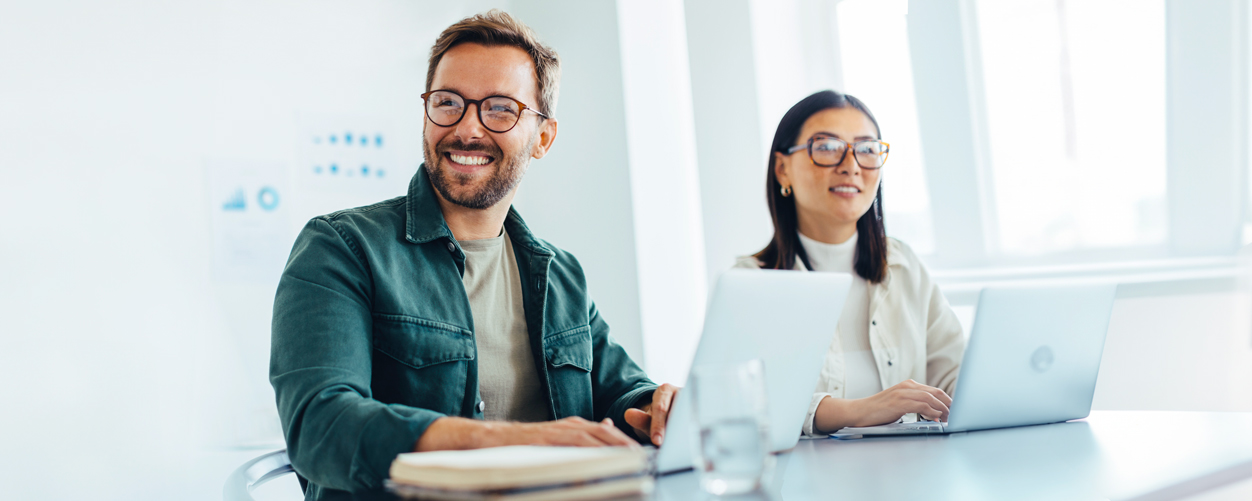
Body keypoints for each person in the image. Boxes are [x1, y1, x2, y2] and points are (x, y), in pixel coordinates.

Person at [270, 10, 677, 498]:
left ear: (542, 138)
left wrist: (660, 406)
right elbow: (321, 426)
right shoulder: (341, 247)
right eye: (448, 103)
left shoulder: (559, 274)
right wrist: (510, 442)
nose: (467, 128)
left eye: (501, 109)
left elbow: (620, 393)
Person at [735, 90, 965, 436]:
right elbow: (746, 404)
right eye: (826, 147)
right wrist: (860, 410)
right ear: (783, 169)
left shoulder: (903, 266)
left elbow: (954, 376)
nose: (851, 165)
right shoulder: (750, 282)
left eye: (867, 149)